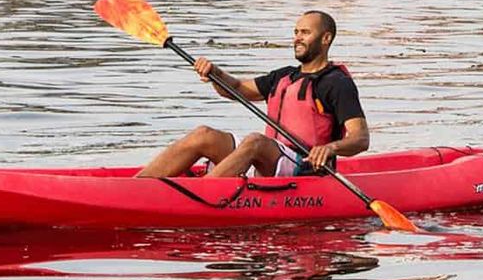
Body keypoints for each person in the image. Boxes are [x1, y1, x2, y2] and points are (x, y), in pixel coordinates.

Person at [136, 10, 369, 179]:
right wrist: (214, 72)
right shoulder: (284, 76)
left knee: (255, 141)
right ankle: (139, 187)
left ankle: (200, 195)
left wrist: (331, 148)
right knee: (203, 135)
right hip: (271, 158)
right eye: (296, 32)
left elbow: (361, 139)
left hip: (306, 167)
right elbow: (236, 89)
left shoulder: (337, 83)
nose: (297, 38)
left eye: (305, 32)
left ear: (326, 38)